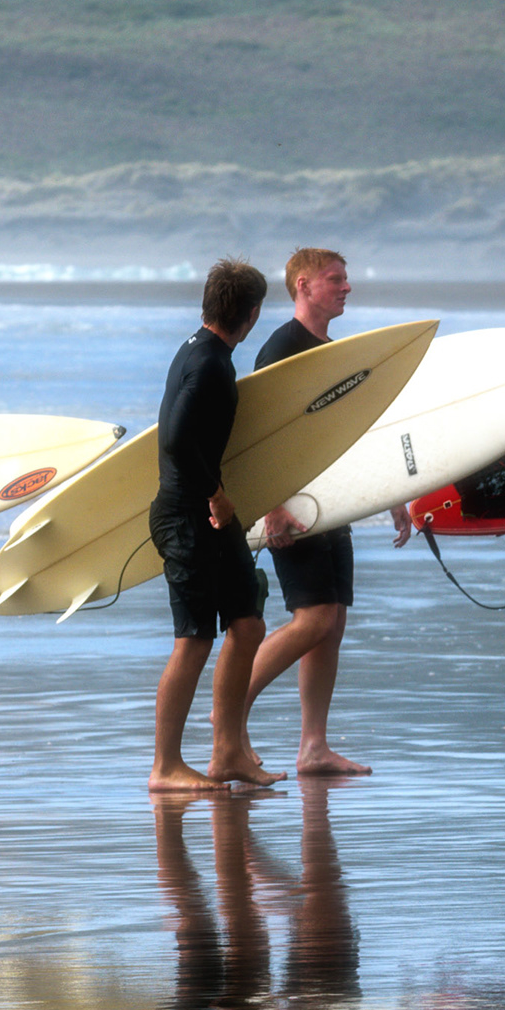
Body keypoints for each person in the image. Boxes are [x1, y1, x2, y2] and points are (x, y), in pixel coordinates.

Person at [239, 248, 410, 777]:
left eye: (346, 279)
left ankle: (313, 746)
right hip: (293, 504)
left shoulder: (330, 350)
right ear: (304, 286)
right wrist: (273, 508)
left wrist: (395, 495)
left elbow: (352, 435)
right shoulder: (281, 350)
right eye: (335, 280)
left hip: (333, 504)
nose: (346, 288)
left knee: (331, 623)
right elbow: (258, 438)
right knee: (312, 619)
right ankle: (227, 720)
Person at [147, 258, 285, 792]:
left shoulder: (199, 352)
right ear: (252, 314)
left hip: (208, 516)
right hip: (188, 515)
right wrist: (216, 494)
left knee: (248, 624)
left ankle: (227, 753)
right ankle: (165, 767)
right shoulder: (207, 363)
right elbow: (176, 439)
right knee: (194, 640)